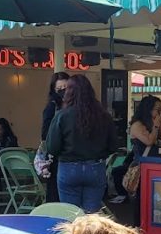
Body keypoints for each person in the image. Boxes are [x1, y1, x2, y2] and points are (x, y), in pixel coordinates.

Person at [46, 75, 118, 213]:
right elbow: (113, 145)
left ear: (69, 92)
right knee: (91, 217)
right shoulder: (104, 116)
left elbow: (52, 148)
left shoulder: (62, 116)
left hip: (68, 168)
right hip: (96, 167)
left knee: (71, 215)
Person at [40, 72, 70, 202]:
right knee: (55, 193)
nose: (63, 92)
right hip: (56, 157)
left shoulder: (76, 106)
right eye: (59, 89)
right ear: (54, 90)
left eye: (66, 88)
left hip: (70, 156)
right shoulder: (52, 107)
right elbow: (45, 134)